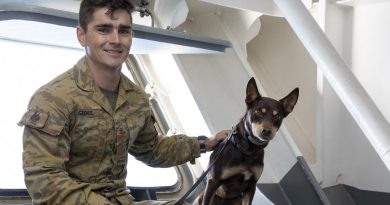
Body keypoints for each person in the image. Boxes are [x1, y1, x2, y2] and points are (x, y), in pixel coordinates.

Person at [18, 0, 229, 204]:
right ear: (82, 35)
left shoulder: (136, 98)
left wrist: (204, 144)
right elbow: (44, 181)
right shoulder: (53, 99)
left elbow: (152, 149)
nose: (116, 39)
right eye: (104, 29)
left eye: (124, 31)